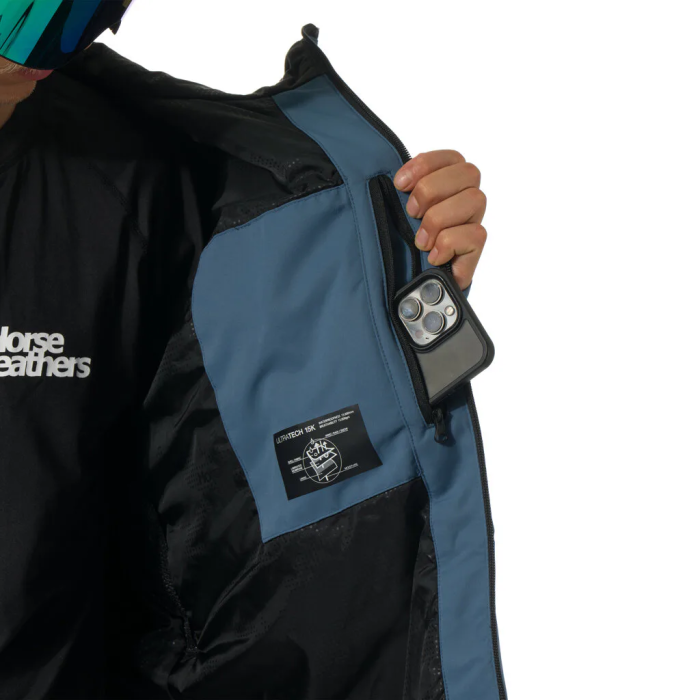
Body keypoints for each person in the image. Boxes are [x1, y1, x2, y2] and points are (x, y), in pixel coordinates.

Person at [0, 3, 493, 698]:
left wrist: (378, 262)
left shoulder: (142, 185)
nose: (34, 53)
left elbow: (204, 528)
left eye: (75, 13)